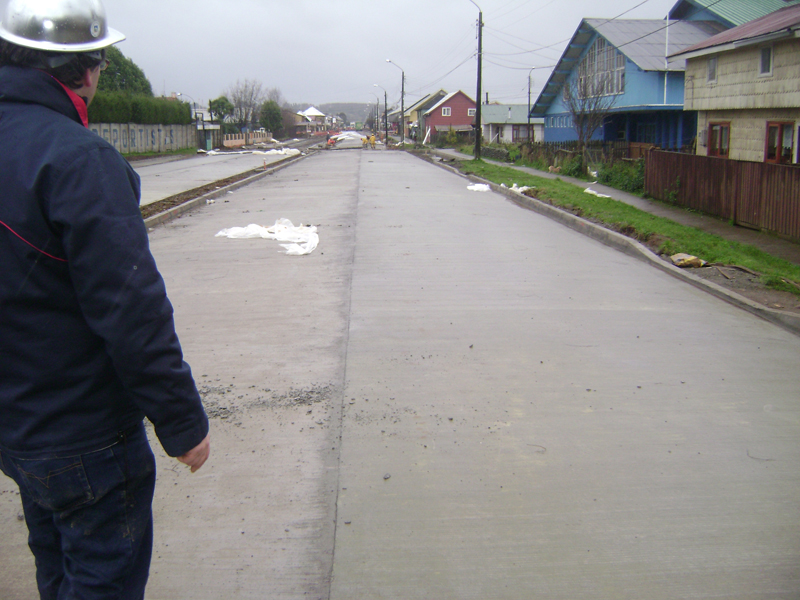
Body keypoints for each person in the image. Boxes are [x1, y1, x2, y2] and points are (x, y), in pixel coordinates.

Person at [0, 1, 210, 598]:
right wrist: (182, 422)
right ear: (86, 69)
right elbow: (130, 309)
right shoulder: (78, 160)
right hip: (85, 436)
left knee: (57, 573)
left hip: (19, 429)